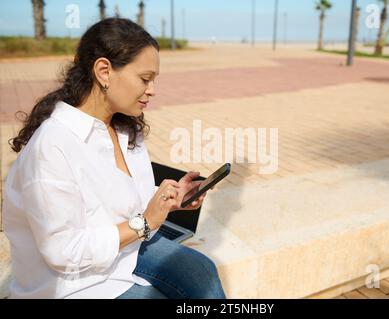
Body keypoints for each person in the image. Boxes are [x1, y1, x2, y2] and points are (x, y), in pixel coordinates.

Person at [2, 18, 226, 299]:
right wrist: (144, 223)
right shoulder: (51, 146)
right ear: (104, 71)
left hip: (127, 250)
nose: (152, 90)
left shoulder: (124, 128)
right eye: (145, 79)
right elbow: (63, 251)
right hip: (74, 282)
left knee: (203, 272)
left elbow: (127, 204)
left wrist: (169, 201)